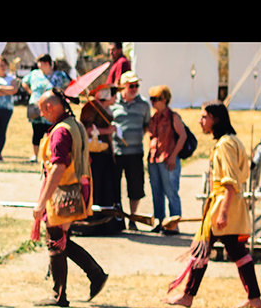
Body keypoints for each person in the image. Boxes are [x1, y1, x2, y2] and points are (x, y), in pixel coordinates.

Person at [166, 101, 261, 308]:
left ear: (215, 119)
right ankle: (254, 298)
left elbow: (230, 181)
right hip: (229, 205)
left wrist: (223, 212)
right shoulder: (232, 140)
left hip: (223, 206)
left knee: (201, 251)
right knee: (237, 252)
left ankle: (188, 296)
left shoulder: (226, 144)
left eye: (204, 117)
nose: (200, 121)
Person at [31, 90, 108, 307]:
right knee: (61, 240)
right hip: (78, 188)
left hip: (65, 191)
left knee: (55, 240)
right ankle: (94, 275)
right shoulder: (75, 125)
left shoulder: (61, 132)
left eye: (41, 109)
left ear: (50, 107)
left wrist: (41, 202)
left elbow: (58, 167)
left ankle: (60, 295)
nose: (41, 114)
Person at [78, 84, 124, 234]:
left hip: (105, 153)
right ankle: (93, 224)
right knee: (96, 186)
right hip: (94, 155)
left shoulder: (105, 109)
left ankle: (108, 224)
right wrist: (107, 130)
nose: (115, 96)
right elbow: (87, 129)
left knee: (107, 186)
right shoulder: (90, 108)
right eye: (113, 93)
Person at [110, 71, 151, 230]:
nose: (134, 88)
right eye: (131, 85)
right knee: (115, 186)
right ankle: (118, 219)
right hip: (117, 152)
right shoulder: (114, 104)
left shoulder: (144, 105)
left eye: (137, 85)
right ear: (122, 87)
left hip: (135, 152)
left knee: (135, 186)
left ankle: (133, 218)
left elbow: (146, 125)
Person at [146, 85, 186, 235]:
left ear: (164, 99)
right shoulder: (154, 117)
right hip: (154, 159)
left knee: (171, 192)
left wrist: (174, 156)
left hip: (168, 158)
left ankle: (174, 224)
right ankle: (160, 221)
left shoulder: (173, 117)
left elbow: (183, 136)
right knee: (157, 192)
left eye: (155, 99)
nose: (152, 102)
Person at [21, 54, 70, 163]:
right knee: (37, 131)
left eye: (40, 63)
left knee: (53, 132)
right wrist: (31, 93)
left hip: (53, 108)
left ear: (46, 63)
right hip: (37, 107)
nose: (38, 65)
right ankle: (35, 155)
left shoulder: (59, 75)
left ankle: (52, 154)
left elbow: (69, 83)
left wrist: (62, 94)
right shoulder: (34, 74)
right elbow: (24, 82)